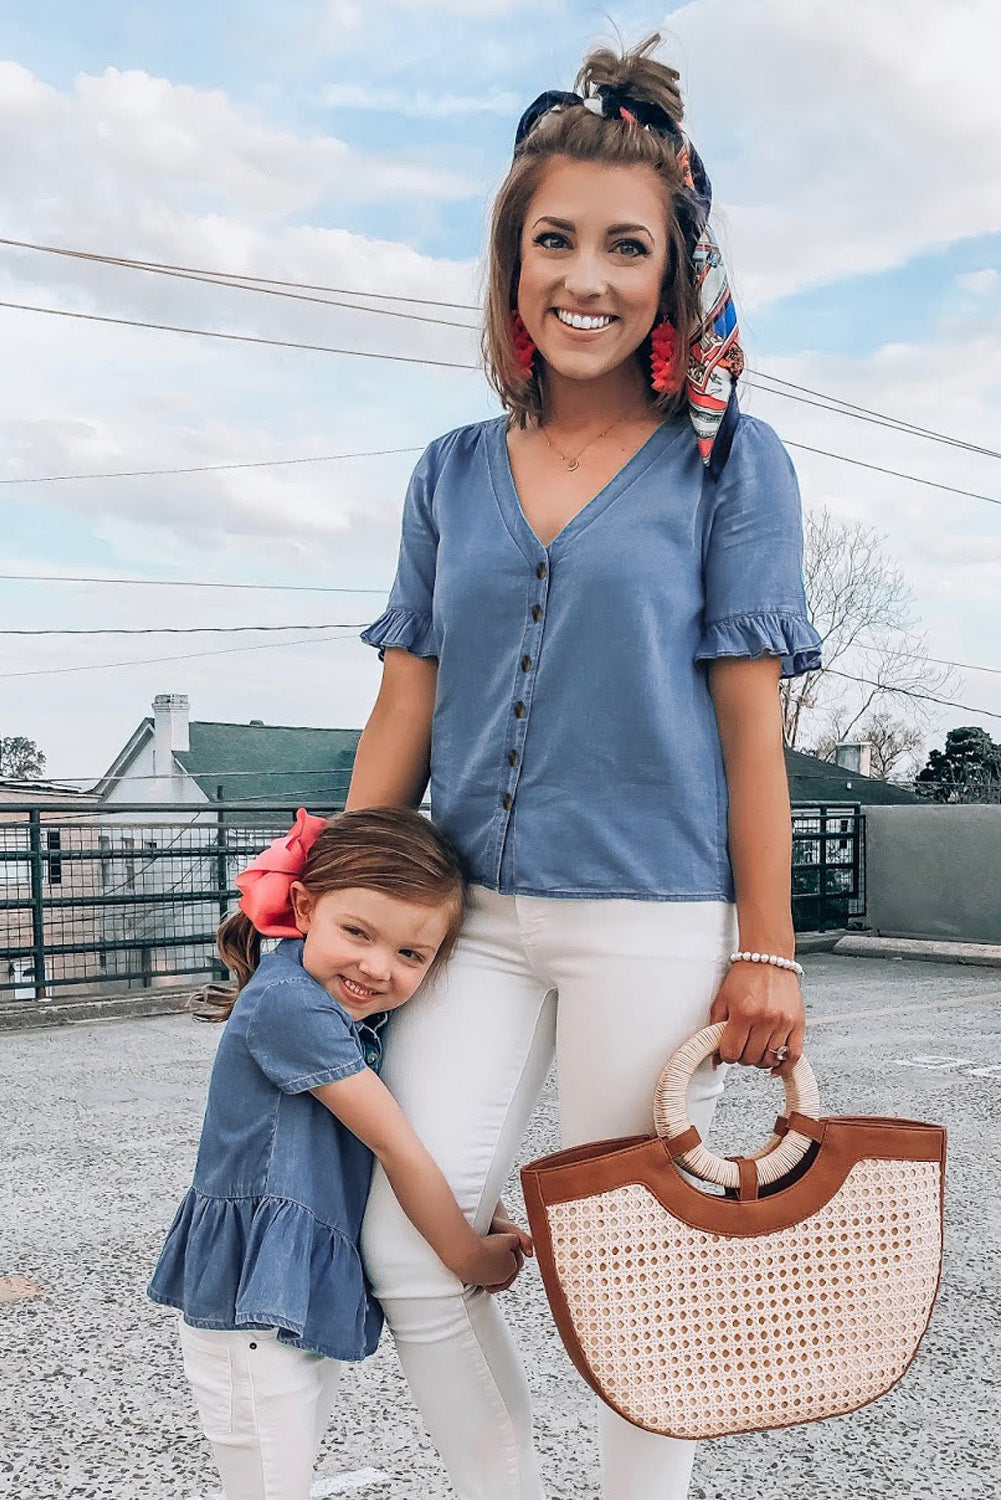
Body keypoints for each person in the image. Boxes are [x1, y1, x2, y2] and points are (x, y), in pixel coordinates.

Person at [349, 32, 824, 1500]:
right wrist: (330, 898)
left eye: (628, 247)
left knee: (642, 1277)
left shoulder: (730, 468)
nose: (588, 278)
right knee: (407, 1248)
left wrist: (771, 953)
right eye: (555, 240)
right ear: (513, 262)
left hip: (652, 922)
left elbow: (754, 730)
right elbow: (403, 709)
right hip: (469, 921)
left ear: (672, 273)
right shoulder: (446, 471)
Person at [148, 806, 531, 1500]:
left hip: (282, 1292)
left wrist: (486, 1204)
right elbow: (395, 1142)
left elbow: (394, 1126)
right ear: (304, 904)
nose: (375, 967)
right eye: (357, 932)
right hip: (250, 1307)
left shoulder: (334, 1003)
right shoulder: (290, 1005)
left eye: (411, 955)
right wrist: (468, 1255)